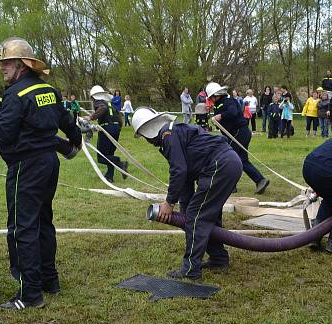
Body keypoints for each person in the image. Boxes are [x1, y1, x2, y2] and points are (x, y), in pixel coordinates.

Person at [0, 37, 82, 310]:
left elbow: (4, 133)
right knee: (44, 221)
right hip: (48, 164)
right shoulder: (49, 90)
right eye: (2, 63)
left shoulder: (14, 94)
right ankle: (49, 280)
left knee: (22, 227)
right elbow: (67, 123)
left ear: (22, 65)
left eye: (7, 63)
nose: (2, 68)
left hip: (26, 167)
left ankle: (29, 294)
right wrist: (75, 141)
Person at [133, 108, 242, 280]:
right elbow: (187, 175)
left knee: (196, 217)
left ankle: (191, 269)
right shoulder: (174, 133)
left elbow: (179, 170)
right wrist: (183, 207)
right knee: (207, 214)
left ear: (147, 132)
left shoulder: (168, 136)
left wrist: (169, 203)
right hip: (228, 164)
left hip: (219, 166)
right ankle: (218, 258)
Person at [207, 81, 270, 194]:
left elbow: (233, 112)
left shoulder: (228, 101)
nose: (210, 100)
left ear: (216, 95)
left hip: (239, 133)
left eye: (211, 98)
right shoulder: (219, 105)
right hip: (237, 134)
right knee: (241, 160)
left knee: (230, 159)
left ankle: (231, 186)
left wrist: (220, 116)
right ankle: (260, 180)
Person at [85, 85, 128, 182]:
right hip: (116, 128)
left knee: (101, 157)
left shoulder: (99, 102)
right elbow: (119, 118)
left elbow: (102, 109)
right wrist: (117, 128)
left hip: (107, 128)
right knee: (109, 153)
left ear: (93, 96)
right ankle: (109, 176)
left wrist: (91, 117)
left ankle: (120, 163)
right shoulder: (110, 104)